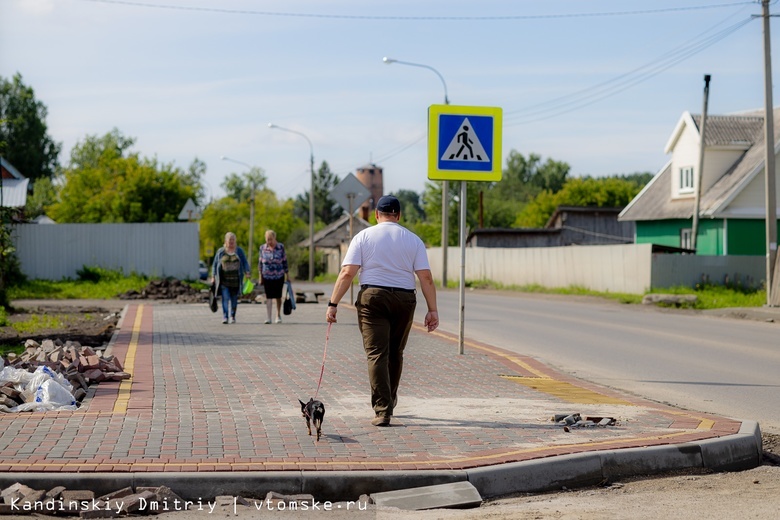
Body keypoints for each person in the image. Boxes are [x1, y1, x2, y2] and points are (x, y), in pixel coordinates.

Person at [325, 195, 438, 427]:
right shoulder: (413, 239)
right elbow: (425, 277)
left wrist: (333, 303)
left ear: (377, 215)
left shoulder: (363, 236)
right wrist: (432, 310)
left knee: (377, 353)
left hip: (372, 298)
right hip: (405, 299)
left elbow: (347, 272)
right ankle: (390, 400)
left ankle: (383, 409)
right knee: (395, 352)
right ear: (399, 215)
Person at [212, 232, 250, 324]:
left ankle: (232, 316)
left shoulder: (239, 251)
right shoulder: (221, 252)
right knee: (225, 298)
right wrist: (213, 276)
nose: (231, 242)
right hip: (224, 281)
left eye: (233, 240)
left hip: (236, 281)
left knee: (234, 299)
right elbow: (215, 264)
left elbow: (244, 262)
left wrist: (247, 272)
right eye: (230, 240)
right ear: (226, 241)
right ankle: (225, 316)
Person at [258, 229, 289, 324]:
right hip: (267, 276)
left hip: (279, 275)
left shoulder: (280, 247)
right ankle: (268, 317)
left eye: (270, 239)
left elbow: (285, 261)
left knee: (278, 296)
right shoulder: (262, 248)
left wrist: (287, 275)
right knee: (268, 297)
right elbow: (260, 263)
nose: (269, 241)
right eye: (267, 239)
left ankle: (278, 315)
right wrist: (260, 276)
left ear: (274, 238)